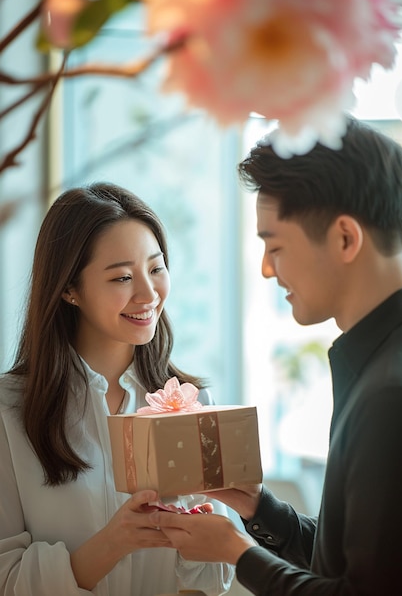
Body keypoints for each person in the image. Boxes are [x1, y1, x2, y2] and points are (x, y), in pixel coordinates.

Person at [147, 117, 402, 595]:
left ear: (345, 238)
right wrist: (259, 509)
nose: (268, 270)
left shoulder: (391, 396)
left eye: (275, 246)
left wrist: (237, 553)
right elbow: (366, 562)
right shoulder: (388, 360)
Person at [0, 183, 234, 596]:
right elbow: (6, 579)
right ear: (69, 289)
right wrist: (116, 541)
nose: (148, 294)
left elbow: (213, 583)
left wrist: (202, 533)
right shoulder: (9, 411)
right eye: (123, 277)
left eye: (156, 268)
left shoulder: (192, 404)